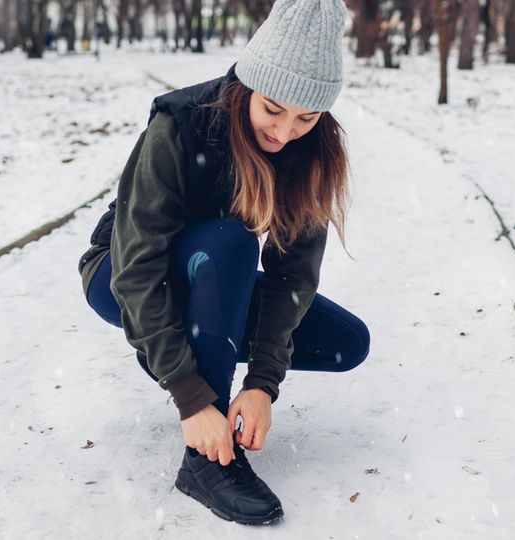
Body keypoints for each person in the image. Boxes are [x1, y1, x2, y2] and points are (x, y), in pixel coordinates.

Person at [76, 0, 370, 526]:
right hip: (118, 271)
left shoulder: (311, 153)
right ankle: (206, 461)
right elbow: (137, 270)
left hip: (210, 274)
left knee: (345, 343)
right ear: (248, 84)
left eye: (307, 117)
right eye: (273, 109)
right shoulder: (183, 125)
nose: (284, 132)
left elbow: (292, 279)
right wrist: (191, 397)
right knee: (232, 241)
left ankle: (190, 351)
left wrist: (262, 383)